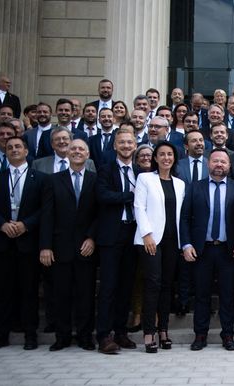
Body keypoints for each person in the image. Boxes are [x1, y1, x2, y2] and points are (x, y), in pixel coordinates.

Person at [181, 149, 234, 351]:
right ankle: (200, 335)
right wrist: (186, 244)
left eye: (223, 161)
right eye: (215, 161)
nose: (219, 164)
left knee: (227, 295)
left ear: (229, 166)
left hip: (227, 250)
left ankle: (227, 334)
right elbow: (184, 218)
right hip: (201, 251)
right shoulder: (195, 188)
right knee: (201, 295)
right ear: (208, 164)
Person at [0, 136, 46, 351]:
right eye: (10, 148)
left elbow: (44, 209)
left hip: (27, 241)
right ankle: (0, 335)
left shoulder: (40, 178)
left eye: (18, 146)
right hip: (1, 241)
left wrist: (26, 224)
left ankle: (30, 335)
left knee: (29, 291)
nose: (14, 150)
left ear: (26, 151)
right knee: (2, 291)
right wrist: (2, 224)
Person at [39, 139, 98, 352]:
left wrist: (92, 237)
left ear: (88, 154)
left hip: (86, 247)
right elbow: (47, 215)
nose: (76, 152)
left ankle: (85, 336)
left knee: (85, 294)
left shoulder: (95, 179)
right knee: (60, 294)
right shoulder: (53, 181)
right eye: (73, 149)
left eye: (81, 149)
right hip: (59, 247)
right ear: (67, 153)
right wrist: (45, 246)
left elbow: (99, 214)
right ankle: (62, 336)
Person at [134, 141, 185, 353]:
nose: (166, 158)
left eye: (170, 154)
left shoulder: (180, 183)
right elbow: (139, 206)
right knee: (152, 283)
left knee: (166, 285)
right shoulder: (145, 178)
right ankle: (149, 332)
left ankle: (163, 330)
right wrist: (146, 234)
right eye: (162, 154)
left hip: (173, 241)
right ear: (155, 158)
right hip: (151, 240)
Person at [95, 126, 139, 354]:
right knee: (109, 287)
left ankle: (120, 332)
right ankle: (104, 335)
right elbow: (103, 196)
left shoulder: (141, 171)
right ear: (114, 146)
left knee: (125, 287)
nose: (126, 146)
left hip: (133, 235)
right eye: (121, 142)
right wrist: (130, 197)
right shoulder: (105, 169)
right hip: (111, 236)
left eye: (129, 142)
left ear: (135, 145)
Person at [127, 144, 153, 333]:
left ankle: (154, 314)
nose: (145, 158)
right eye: (141, 155)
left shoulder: (159, 176)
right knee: (136, 275)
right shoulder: (132, 175)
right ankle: (136, 313)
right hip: (131, 231)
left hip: (154, 233)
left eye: (149, 155)